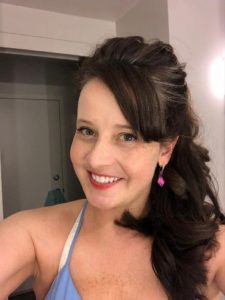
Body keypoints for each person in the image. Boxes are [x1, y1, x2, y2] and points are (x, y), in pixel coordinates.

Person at [0, 36, 225, 300]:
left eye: (127, 136)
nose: (96, 159)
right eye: (87, 130)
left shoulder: (212, 249)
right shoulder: (34, 235)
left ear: (165, 149)